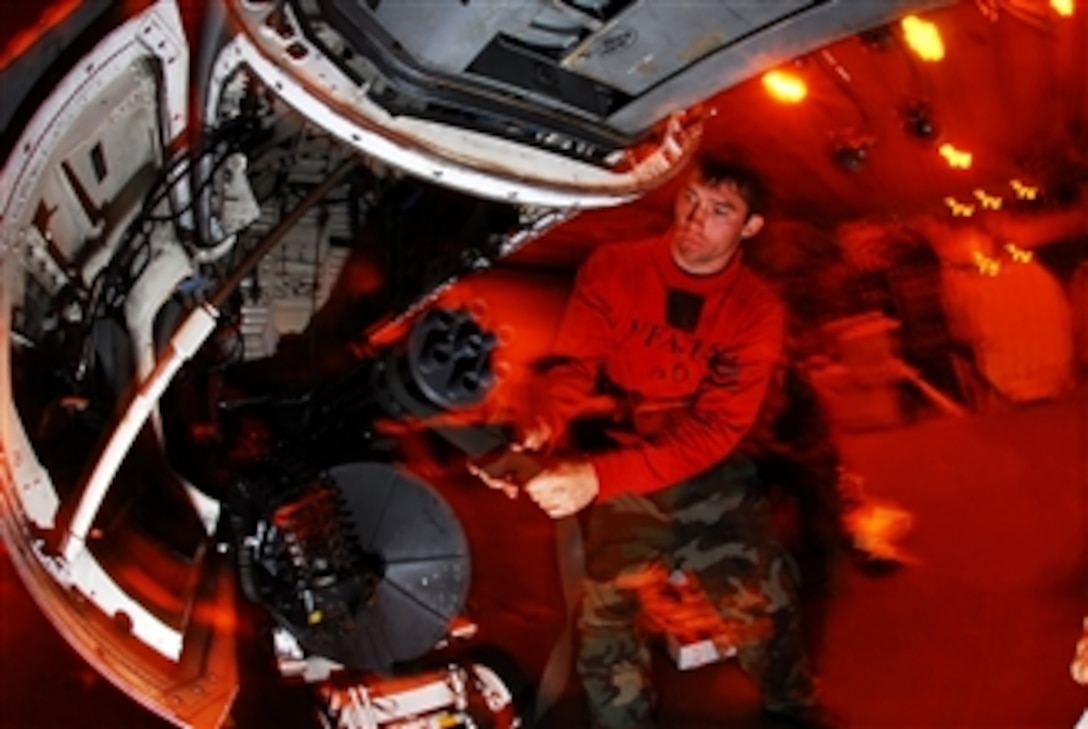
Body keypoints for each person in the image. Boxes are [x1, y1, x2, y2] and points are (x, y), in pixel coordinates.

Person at [475, 152, 834, 729]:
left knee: (762, 607)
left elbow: (716, 429)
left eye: (721, 210)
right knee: (605, 616)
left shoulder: (756, 310)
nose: (695, 218)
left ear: (750, 227)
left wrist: (594, 478)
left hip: (712, 467)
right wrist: (535, 430)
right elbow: (572, 366)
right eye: (691, 198)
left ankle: (791, 707)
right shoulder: (614, 267)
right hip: (628, 452)